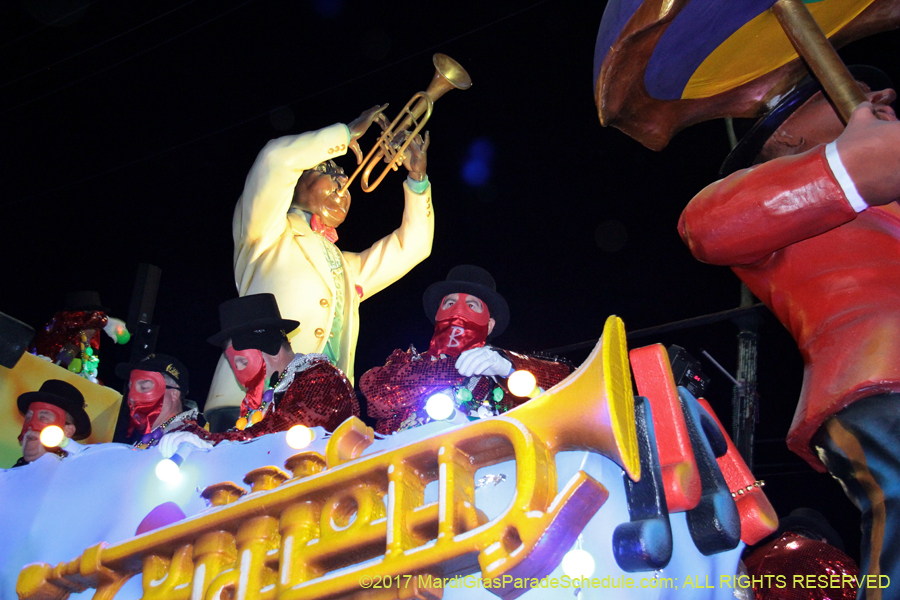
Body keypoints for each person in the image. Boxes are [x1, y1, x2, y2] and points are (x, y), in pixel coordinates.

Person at [678, 66, 900, 596]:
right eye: (848, 89)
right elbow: (709, 227)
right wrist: (852, 167)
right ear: (786, 136)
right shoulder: (783, 190)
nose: (880, 94)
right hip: (878, 377)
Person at [204, 106, 434, 430]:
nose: (342, 179)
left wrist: (417, 180)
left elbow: (414, 247)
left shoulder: (347, 265)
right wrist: (345, 133)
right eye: (327, 170)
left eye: (343, 176)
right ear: (297, 183)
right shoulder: (266, 232)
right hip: (250, 400)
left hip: (325, 414)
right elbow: (275, 158)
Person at [360, 265, 572, 434]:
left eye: (472, 306)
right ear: (437, 316)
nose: (458, 312)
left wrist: (507, 365)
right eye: (450, 303)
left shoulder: (498, 377)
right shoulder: (407, 362)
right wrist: (451, 368)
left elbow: (566, 382)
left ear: (489, 325)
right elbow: (375, 395)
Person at [29, 291, 129, 383]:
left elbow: (90, 367)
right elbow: (73, 320)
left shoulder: (91, 338)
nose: (95, 329)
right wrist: (106, 321)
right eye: (91, 314)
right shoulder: (60, 322)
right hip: (37, 373)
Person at [114, 353, 200, 449]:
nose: (131, 397)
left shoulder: (193, 439)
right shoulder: (138, 438)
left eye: (144, 387)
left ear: (174, 393)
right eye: (130, 389)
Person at [13, 379, 91, 467]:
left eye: (43, 418)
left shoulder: (71, 474)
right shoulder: (12, 474)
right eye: (28, 418)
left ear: (68, 431)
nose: (30, 426)